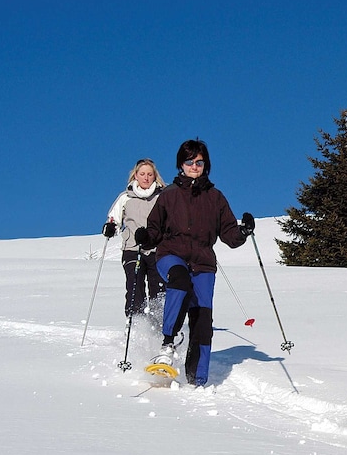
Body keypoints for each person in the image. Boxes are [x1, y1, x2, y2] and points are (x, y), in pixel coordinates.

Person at [134, 139, 254, 387]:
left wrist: (243, 232)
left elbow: (229, 234)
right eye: (189, 161)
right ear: (181, 164)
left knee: (202, 318)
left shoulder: (215, 198)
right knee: (179, 279)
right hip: (171, 253)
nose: (194, 166)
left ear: (205, 164)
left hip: (203, 261)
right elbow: (154, 230)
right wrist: (146, 238)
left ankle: (197, 379)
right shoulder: (169, 195)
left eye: (199, 162)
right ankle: (167, 344)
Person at [102, 158, 166, 317]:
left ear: (154, 176)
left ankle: (160, 324)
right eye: (142, 174)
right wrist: (110, 227)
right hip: (132, 248)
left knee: (158, 288)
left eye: (149, 174)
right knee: (134, 286)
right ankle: (135, 322)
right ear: (135, 176)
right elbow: (113, 219)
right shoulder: (126, 197)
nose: (146, 178)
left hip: (156, 249)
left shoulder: (162, 197)